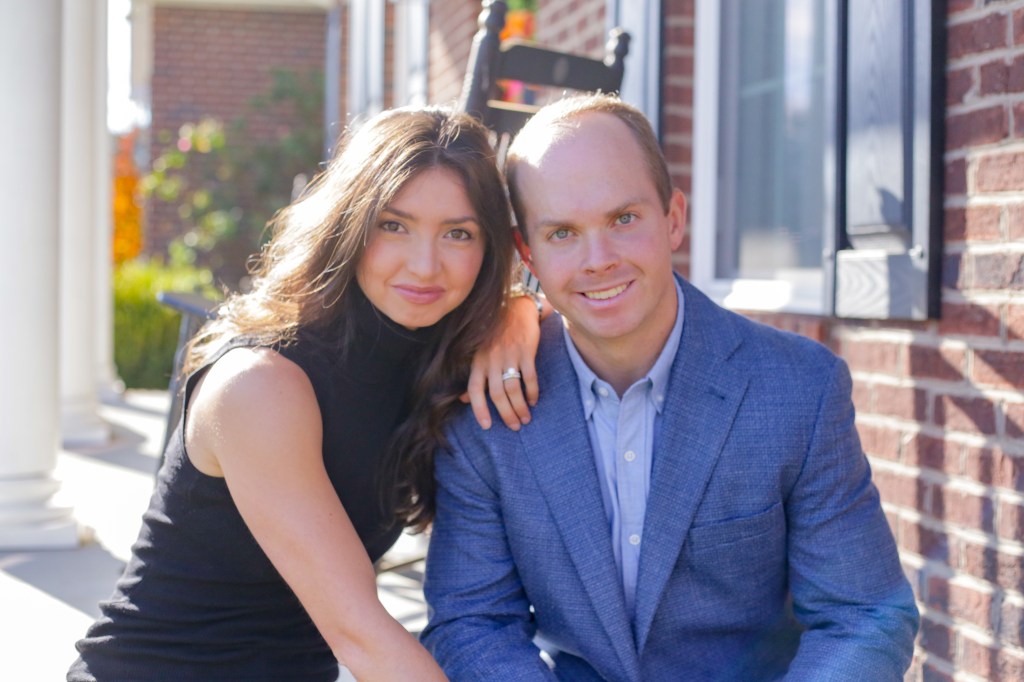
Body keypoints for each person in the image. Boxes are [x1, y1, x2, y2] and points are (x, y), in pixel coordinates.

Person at [421, 93, 920, 680]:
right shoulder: (486, 403)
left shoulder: (797, 390)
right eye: (562, 233)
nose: (598, 259)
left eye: (623, 219)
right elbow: (472, 621)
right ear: (527, 252)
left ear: (674, 218)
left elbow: (863, 613)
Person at [69, 106, 541, 681]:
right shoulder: (260, 384)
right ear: (348, 225)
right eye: (393, 225)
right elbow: (360, 635)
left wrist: (519, 311)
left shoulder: (436, 360)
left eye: (458, 234)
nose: (425, 265)